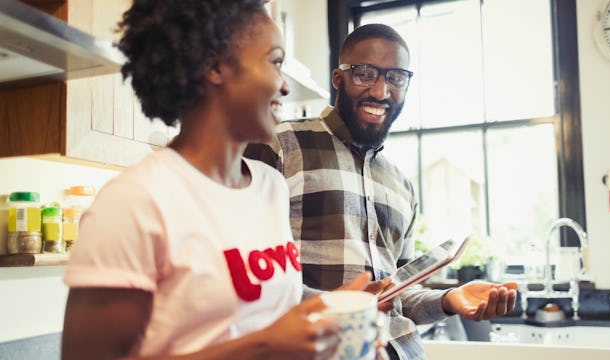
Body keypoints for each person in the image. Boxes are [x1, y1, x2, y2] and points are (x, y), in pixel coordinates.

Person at [60, 1, 374, 359]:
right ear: (214, 66)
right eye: (275, 61)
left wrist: (328, 327)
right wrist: (265, 345)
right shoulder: (135, 201)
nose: (285, 86)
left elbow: (262, 317)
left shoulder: (270, 186)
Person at [245, 23, 518, 359]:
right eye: (364, 74)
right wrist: (349, 306)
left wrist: (448, 300)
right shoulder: (280, 145)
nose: (380, 91)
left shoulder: (401, 184)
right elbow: (245, 275)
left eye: (395, 78)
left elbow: (400, 295)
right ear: (338, 79)